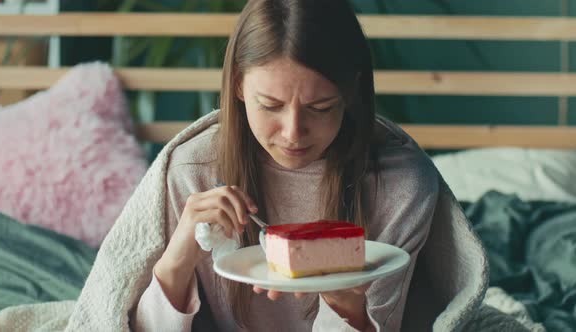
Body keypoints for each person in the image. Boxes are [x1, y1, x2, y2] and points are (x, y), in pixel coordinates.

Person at [133, 0, 438, 331]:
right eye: (270, 105)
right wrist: (176, 262)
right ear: (237, 84)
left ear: (351, 91)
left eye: (320, 107)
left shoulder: (400, 186)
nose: (293, 133)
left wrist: (348, 310)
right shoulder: (193, 171)